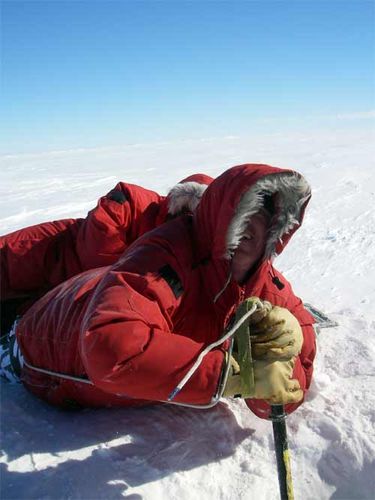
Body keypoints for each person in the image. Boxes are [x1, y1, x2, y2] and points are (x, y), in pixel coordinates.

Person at [1, 163, 316, 419]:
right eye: (238, 218)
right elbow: (110, 347)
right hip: (40, 342)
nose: (248, 232)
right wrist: (229, 376)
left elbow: (286, 391)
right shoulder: (163, 256)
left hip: (84, 293)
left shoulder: (266, 284)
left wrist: (286, 358)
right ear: (215, 219)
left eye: (261, 224)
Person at [0, 173, 213, 333]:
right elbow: (96, 257)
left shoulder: (184, 250)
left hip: (50, 289)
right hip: (38, 256)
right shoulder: (135, 207)